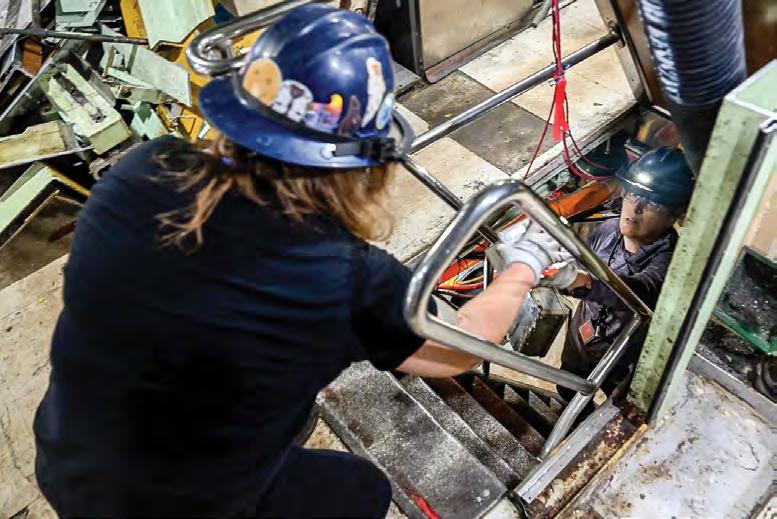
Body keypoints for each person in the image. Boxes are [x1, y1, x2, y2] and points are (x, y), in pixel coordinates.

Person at [33, 5, 572, 517]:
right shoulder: (348, 280)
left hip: (68, 454)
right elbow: (462, 350)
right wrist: (523, 265)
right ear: (361, 161)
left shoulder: (143, 168)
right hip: (177, 506)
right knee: (363, 490)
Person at [548, 147, 695, 404]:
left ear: (676, 215)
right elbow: (580, 262)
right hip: (582, 336)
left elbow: (638, 291)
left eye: (653, 203)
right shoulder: (608, 229)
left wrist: (581, 281)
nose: (635, 207)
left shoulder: (672, 262)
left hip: (624, 354)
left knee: (616, 408)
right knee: (568, 388)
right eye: (633, 193)